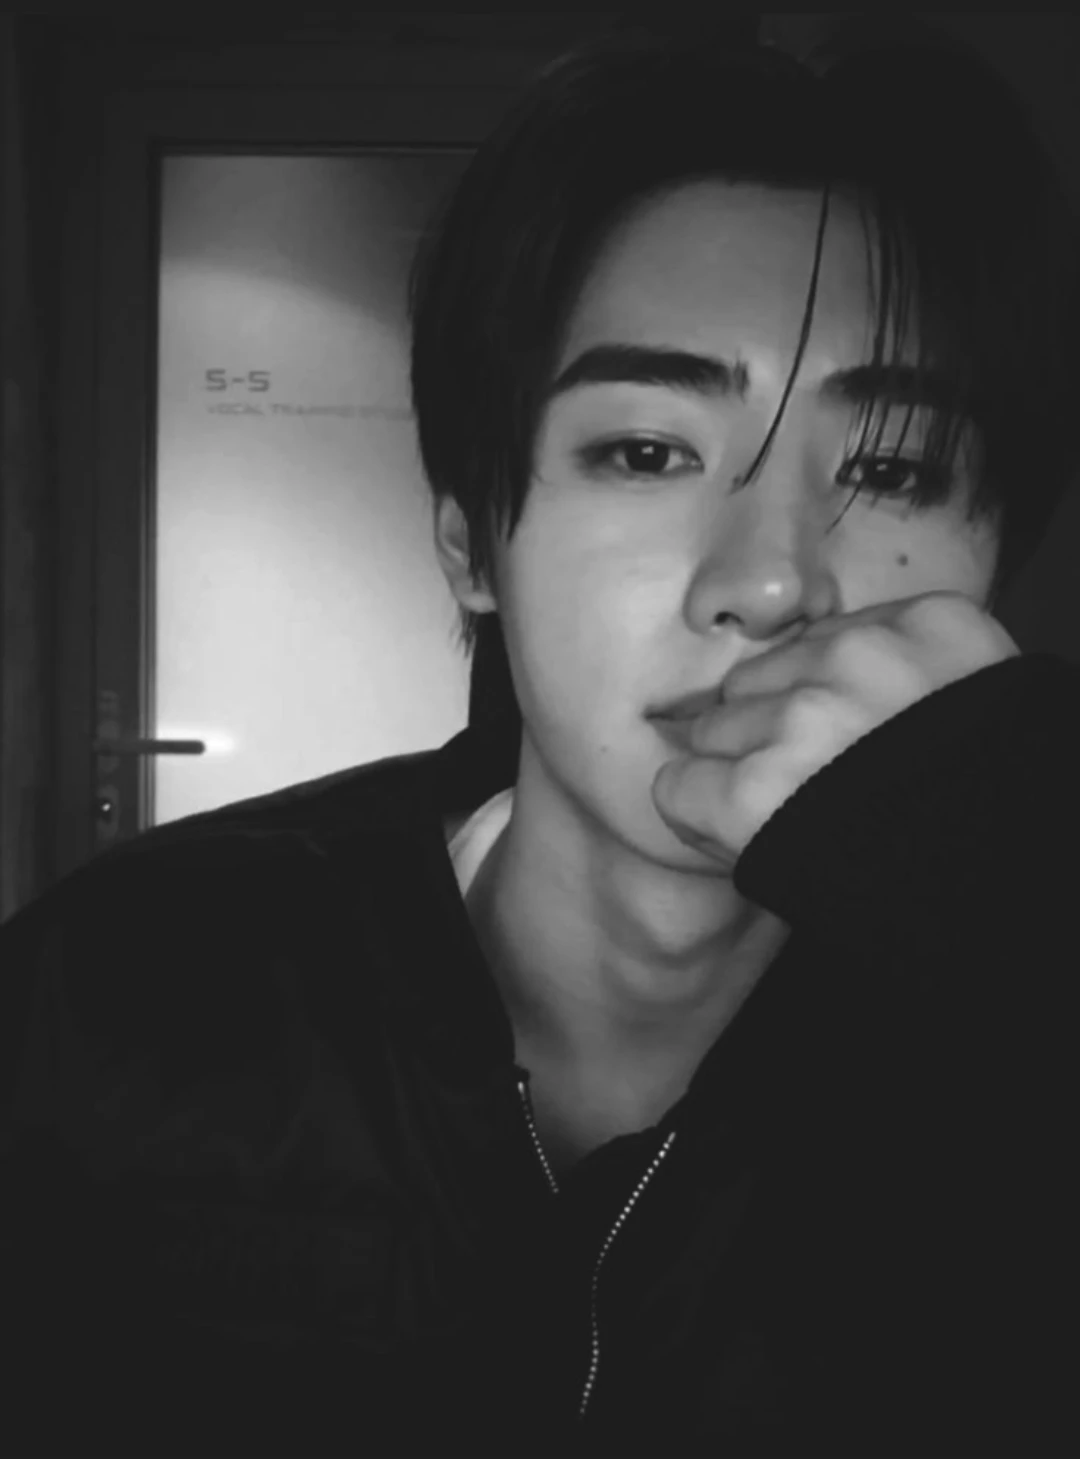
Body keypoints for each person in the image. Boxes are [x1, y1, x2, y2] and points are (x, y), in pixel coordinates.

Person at [3, 18, 1080, 1459]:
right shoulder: (114, 995)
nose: (771, 585)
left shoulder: (1022, 1037)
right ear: (472, 547)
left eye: (889, 466)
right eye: (646, 450)